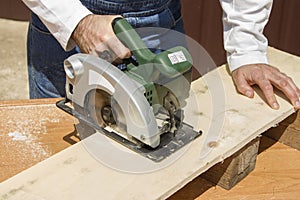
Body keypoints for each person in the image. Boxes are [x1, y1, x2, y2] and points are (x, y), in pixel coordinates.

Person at [22, 0, 300, 110]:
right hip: (71, 19)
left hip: (160, 18)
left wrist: (247, 47)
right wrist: (77, 22)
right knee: (58, 164)